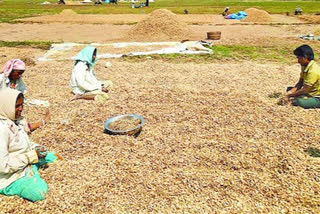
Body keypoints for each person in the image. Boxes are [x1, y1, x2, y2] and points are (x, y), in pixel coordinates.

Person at [0, 88, 60, 202]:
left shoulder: (15, 121)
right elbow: (3, 166)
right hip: (7, 176)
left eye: (22, 105)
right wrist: (29, 157)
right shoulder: (2, 129)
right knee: (38, 193)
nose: (21, 109)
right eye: (17, 106)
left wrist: (36, 148)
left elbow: (24, 142)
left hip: (23, 160)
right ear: (5, 106)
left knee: (53, 157)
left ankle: (32, 169)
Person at [0, 59, 51, 132]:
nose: (20, 75)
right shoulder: (1, 79)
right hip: (4, 108)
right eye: (18, 73)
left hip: (10, 108)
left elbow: (21, 92)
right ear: (11, 70)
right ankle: (43, 121)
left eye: (21, 73)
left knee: (19, 124)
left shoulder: (17, 80)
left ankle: (43, 122)